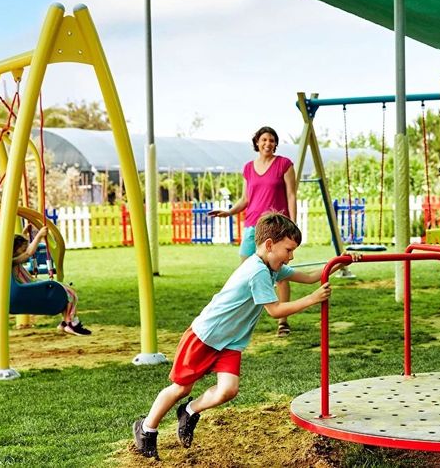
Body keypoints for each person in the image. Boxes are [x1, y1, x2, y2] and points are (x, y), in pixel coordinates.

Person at [132, 212, 338, 459]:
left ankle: (189, 411)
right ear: (269, 245)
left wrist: (337, 263)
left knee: (228, 390)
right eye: (288, 250)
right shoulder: (257, 271)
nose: (291, 256)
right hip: (206, 336)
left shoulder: (271, 267)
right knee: (180, 388)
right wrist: (312, 299)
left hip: (230, 342)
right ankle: (146, 429)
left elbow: (309, 277)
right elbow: (275, 310)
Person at [209, 126, 298, 338]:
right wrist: (229, 212)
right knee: (245, 272)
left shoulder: (284, 164)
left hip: (277, 227)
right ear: (257, 142)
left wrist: (292, 225)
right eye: (264, 139)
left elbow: (291, 195)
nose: (268, 143)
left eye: (272, 140)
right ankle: (239, 318)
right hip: (252, 226)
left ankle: (282, 321)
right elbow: (246, 199)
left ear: (276, 144)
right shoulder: (248, 168)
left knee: (281, 273)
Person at [12, 226, 91, 336]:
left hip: (31, 288)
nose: (25, 249)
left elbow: (21, 248)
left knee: (69, 291)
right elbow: (27, 254)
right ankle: (71, 324)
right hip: (30, 291)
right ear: (14, 249)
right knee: (70, 293)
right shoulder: (12, 262)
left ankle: (66, 322)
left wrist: (24, 232)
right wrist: (39, 235)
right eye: (23, 248)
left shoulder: (12, 258)